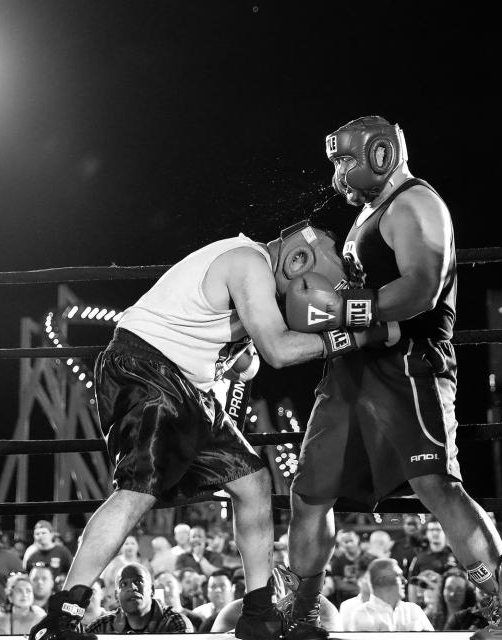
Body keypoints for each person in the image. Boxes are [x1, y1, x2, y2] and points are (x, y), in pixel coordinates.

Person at [28, 221, 391, 640]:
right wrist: (354, 338)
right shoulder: (249, 263)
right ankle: (63, 615)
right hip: (147, 367)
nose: (310, 305)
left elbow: (250, 361)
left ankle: (257, 614)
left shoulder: (256, 283)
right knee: (137, 490)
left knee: (252, 483)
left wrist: (241, 348)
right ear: (298, 263)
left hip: (188, 388)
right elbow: (277, 351)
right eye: (312, 291)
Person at [280, 115, 502, 640]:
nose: (342, 174)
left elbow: (421, 286)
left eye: (348, 160)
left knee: (436, 484)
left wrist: (343, 309)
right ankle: (302, 612)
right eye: (337, 164)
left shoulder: (416, 204)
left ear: (379, 153)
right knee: (309, 492)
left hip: (407, 364)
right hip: (351, 366)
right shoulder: (369, 214)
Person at [86, 564, 190, 634]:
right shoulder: (102, 627)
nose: (132, 588)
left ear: (152, 590)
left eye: (138, 581)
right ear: (116, 596)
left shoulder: (174, 622)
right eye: (123, 584)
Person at [347, 558, 433, 631]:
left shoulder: (413, 610)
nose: (405, 581)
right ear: (382, 580)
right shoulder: (362, 614)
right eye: (398, 575)